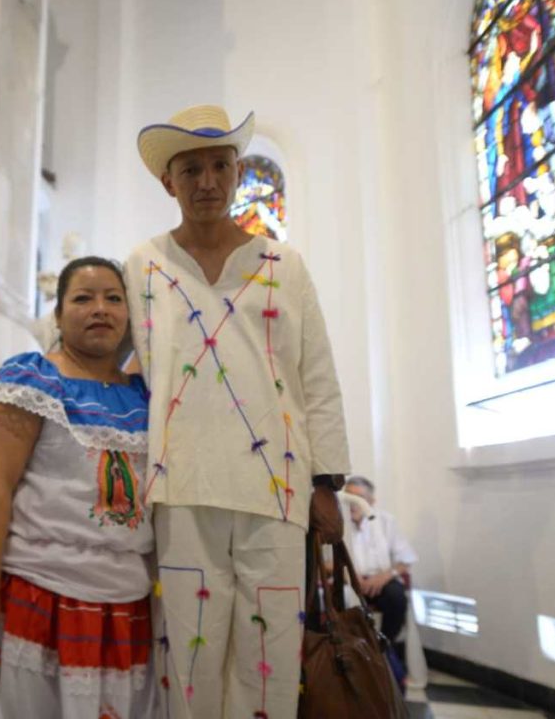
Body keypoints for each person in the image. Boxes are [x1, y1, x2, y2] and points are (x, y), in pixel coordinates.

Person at [125, 104, 350, 718]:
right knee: (188, 661)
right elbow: (124, 360)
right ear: (168, 182)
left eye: (220, 166)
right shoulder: (142, 265)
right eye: (190, 169)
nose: (207, 182)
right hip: (181, 486)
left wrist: (326, 483)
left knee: (268, 663)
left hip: (276, 489)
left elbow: (317, 376)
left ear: (238, 173)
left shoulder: (285, 264)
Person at [0, 256, 156, 718]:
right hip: (37, 595)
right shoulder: (33, 379)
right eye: (83, 298)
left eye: (113, 298)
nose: (100, 308)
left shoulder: (145, 394)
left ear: (129, 315)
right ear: (59, 315)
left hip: (126, 606)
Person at [343, 475, 418, 652]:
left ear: (371, 501)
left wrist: (383, 578)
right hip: (347, 580)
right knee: (334, 599)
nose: (353, 504)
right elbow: (325, 562)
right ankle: (349, 651)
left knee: (396, 597)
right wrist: (350, 575)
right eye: (348, 498)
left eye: (359, 498)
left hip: (379, 581)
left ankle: (382, 648)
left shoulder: (386, 521)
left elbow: (406, 559)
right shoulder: (336, 523)